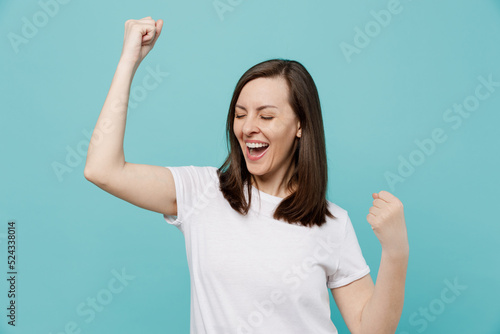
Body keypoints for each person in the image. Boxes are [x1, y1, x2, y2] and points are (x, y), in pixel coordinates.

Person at [84, 16, 409, 334]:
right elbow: (103, 170)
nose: (248, 127)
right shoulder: (202, 193)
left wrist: (396, 252)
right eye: (240, 114)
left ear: (300, 125)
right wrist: (129, 60)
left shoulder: (332, 224)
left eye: (266, 116)